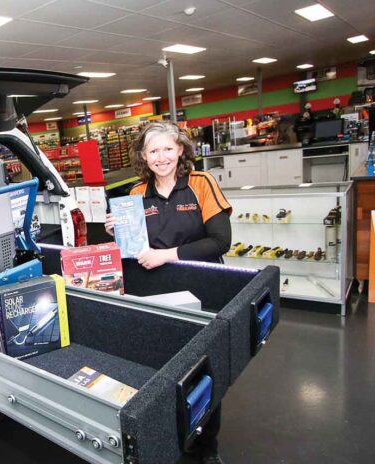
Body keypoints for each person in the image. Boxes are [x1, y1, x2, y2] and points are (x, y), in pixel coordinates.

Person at [105, 121, 232, 464]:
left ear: (180, 150)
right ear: (143, 156)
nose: (161, 157)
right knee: (163, 367)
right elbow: (134, 249)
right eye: (153, 151)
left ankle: (206, 447)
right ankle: (169, 439)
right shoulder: (135, 193)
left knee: (206, 367)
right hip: (155, 290)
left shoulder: (201, 183)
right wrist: (118, 232)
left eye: (167, 149)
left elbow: (221, 241)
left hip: (203, 285)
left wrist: (168, 255)